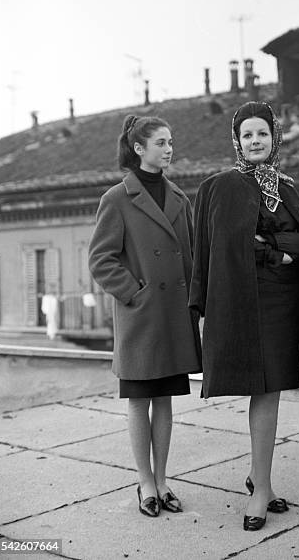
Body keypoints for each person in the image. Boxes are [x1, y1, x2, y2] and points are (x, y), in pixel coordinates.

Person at [189, 101, 299, 531]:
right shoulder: (219, 187)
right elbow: (217, 246)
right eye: (247, 135)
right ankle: (261, 487)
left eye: (262, 134)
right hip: (242, 301)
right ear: (237, 141)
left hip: (282, 306)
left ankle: (261, 482)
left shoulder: (286, 187)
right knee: (257, 387)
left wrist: (272, 246)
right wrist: (274, 249)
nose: (255, 141)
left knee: (270, 391)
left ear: (275, 139)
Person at [89, 115, 201, 518]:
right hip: (141, 316)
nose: (169, 149)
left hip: (172, 316)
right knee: (139, 401)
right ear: (139, 149)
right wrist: (135, 292)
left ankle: (164, 479)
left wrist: (196, 303)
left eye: (171, 141)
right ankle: (145, 483)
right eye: (160, 142)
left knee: (166, 401)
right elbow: (101, 260)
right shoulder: (117, 198)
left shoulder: (179, 197)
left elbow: (191, 258)